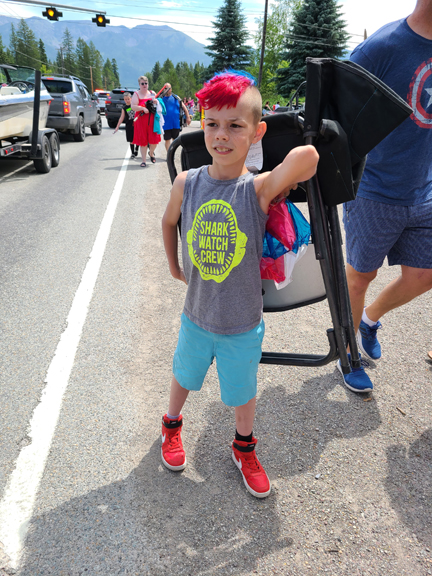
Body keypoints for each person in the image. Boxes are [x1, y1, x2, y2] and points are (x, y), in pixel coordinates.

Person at [160, 70, 319, 498]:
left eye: (235, 126)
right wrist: (174, 265)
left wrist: (275, 145)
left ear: (256, 131)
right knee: (184, 375)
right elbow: (168, 220)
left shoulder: (258, 190)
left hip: (243, 322)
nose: (221, 136)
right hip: (197, 315)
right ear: (200, 125)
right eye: (211, 124)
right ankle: (171, 425)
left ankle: (244, 446)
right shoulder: (186, 182)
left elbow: (309, 158)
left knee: (242, 391)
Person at [337, 0, 432, 393]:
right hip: (374, 189)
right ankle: (347, 354)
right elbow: (333, 111)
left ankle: (370, 320)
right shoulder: (382, 47)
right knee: (361, 275)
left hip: (424, 190)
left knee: (424, 275)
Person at [131, 76, 161, 167]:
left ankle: (151, 153)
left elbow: (158, 105)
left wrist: (156, 102)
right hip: (141, 120)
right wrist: (142, 108)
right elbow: (133, 106)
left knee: (154, 141)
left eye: (146, 83)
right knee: (143, 141)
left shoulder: (152, 93)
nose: (144, 85)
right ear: (139, 84)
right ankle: (143, 160)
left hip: (152, 120)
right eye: (142, 83)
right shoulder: (136, 94)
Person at [161, 84, 191, 153]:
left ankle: (172, 153)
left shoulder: (176, 98)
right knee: (167, 139)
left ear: (171, 89)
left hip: (175, 123)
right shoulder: (161, 99)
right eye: (165, 89)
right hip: (166, 123)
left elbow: (184, 108)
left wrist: (188, 117)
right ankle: (169, 154)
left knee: (175, 140)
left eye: (168, 89)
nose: (167, 90)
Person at [113, 92, 139, 159]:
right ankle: (133, 153)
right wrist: (117, 126)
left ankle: (137, 149)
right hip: (129, 125)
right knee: (131, 140)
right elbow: (121, 118)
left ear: (131, 98)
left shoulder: (134, 105)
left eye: (128, 99)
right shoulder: (124, 108)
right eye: (125, 99)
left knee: (138, 138)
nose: (127, 100)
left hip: (137, 124)